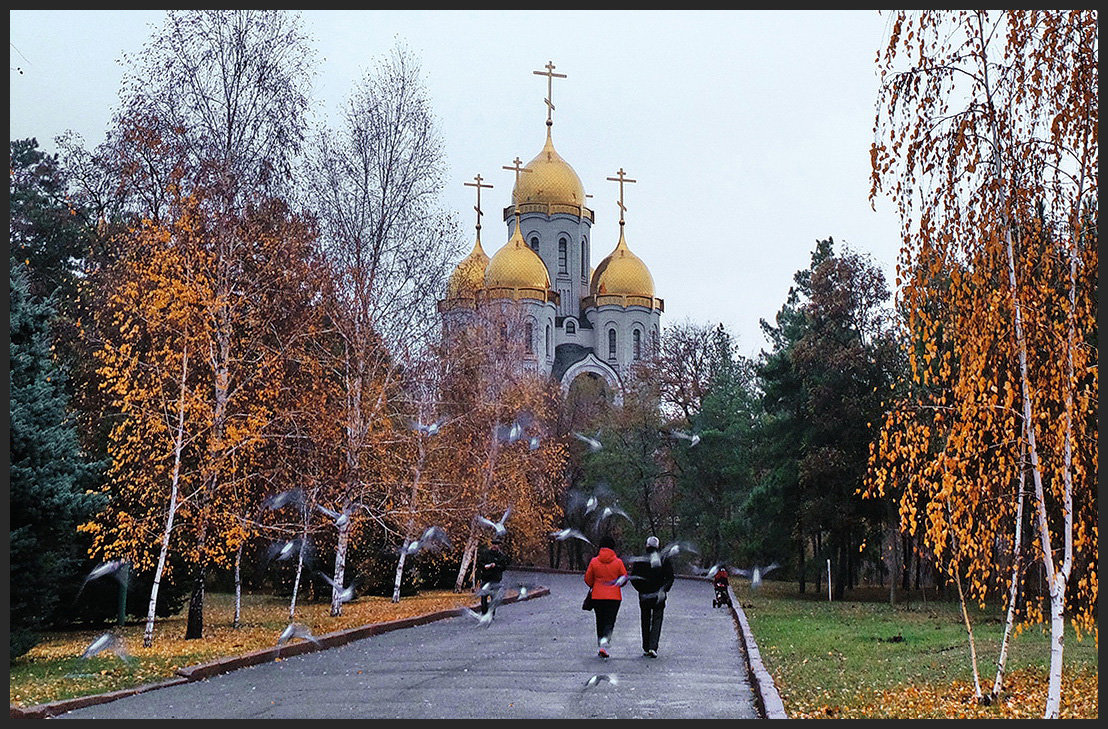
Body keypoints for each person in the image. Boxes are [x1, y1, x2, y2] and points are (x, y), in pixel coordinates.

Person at [631, 535, 675, 657]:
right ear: (658, 546)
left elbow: (634, 577)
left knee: (645, 619)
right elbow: (670, 577)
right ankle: (653, 646)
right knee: (657, 620)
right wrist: (664, 589)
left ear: (647, 546)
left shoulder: (641, 559)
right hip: (658, 595)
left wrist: (640, 589)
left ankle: (646, 646)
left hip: (644, 595)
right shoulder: (663, 559)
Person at [583, 535, 627, 658]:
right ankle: (605, 642)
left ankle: (601, 647)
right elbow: (624, 578)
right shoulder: (618, 562)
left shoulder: (594, 561)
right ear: (613, 547)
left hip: (597, 596)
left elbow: (588, 579)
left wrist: (595, 585)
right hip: (614, 597)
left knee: (600, 621)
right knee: (610, 621)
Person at [476, 536, 510, 614]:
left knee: (494, 598)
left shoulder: (501, 556)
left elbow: (504, 567)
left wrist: (496, 566)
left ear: (499, 546)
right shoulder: (486, 554)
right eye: (493, 544)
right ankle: (484, 613)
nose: (495, 546)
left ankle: (491, 613)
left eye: (496, 544)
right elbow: (480, 563)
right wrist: (485, 566)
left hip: (495, 579)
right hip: (485, 578)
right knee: (483, 597)